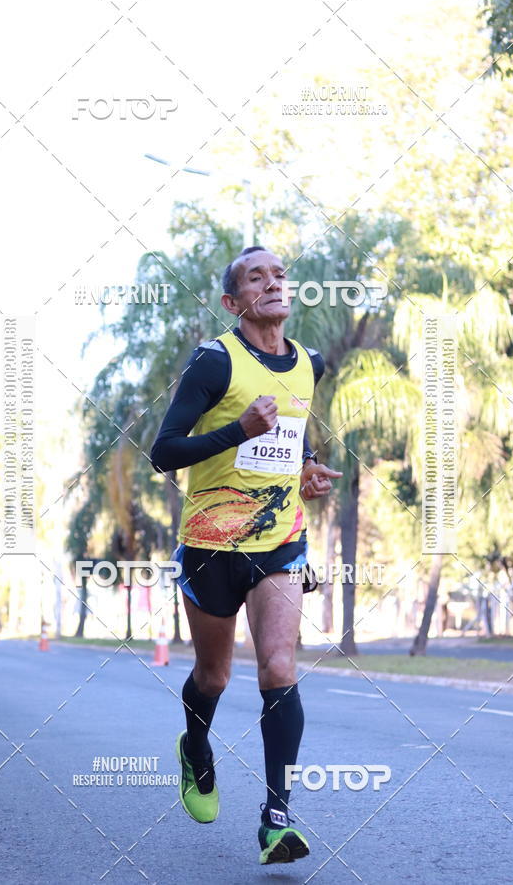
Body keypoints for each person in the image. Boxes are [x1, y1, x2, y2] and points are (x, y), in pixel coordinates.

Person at [150, 246, 342, 865]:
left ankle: (277, 818)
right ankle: (196, 750)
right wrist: (238, 432)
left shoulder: (307, 362)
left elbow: (292, 426)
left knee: (279, 669)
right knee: (214, 677)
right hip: (211, 543)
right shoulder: (215, 360)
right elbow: (165, 451)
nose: (274, 281)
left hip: (281, 540)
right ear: (234, 303)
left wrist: (307, 466)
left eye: (280, 273)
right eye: (256, 276)